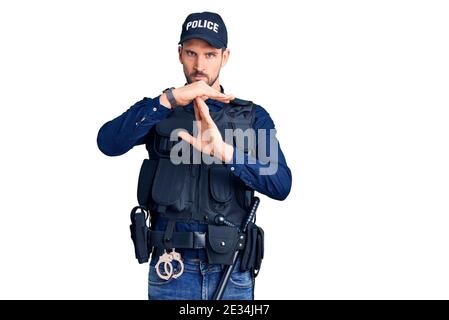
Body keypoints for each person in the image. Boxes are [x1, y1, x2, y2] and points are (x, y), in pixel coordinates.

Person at [97, 11, 292, 300]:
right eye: (191, 53)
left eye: (210, 55)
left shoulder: (251, 117)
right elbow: (108, 142)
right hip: (171, 268)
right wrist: (169, 99)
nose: (199, 65)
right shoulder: (158, 111)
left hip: (231, 271)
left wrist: (227, 152)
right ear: (179, 54)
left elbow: (280, 184)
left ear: (225, 57)